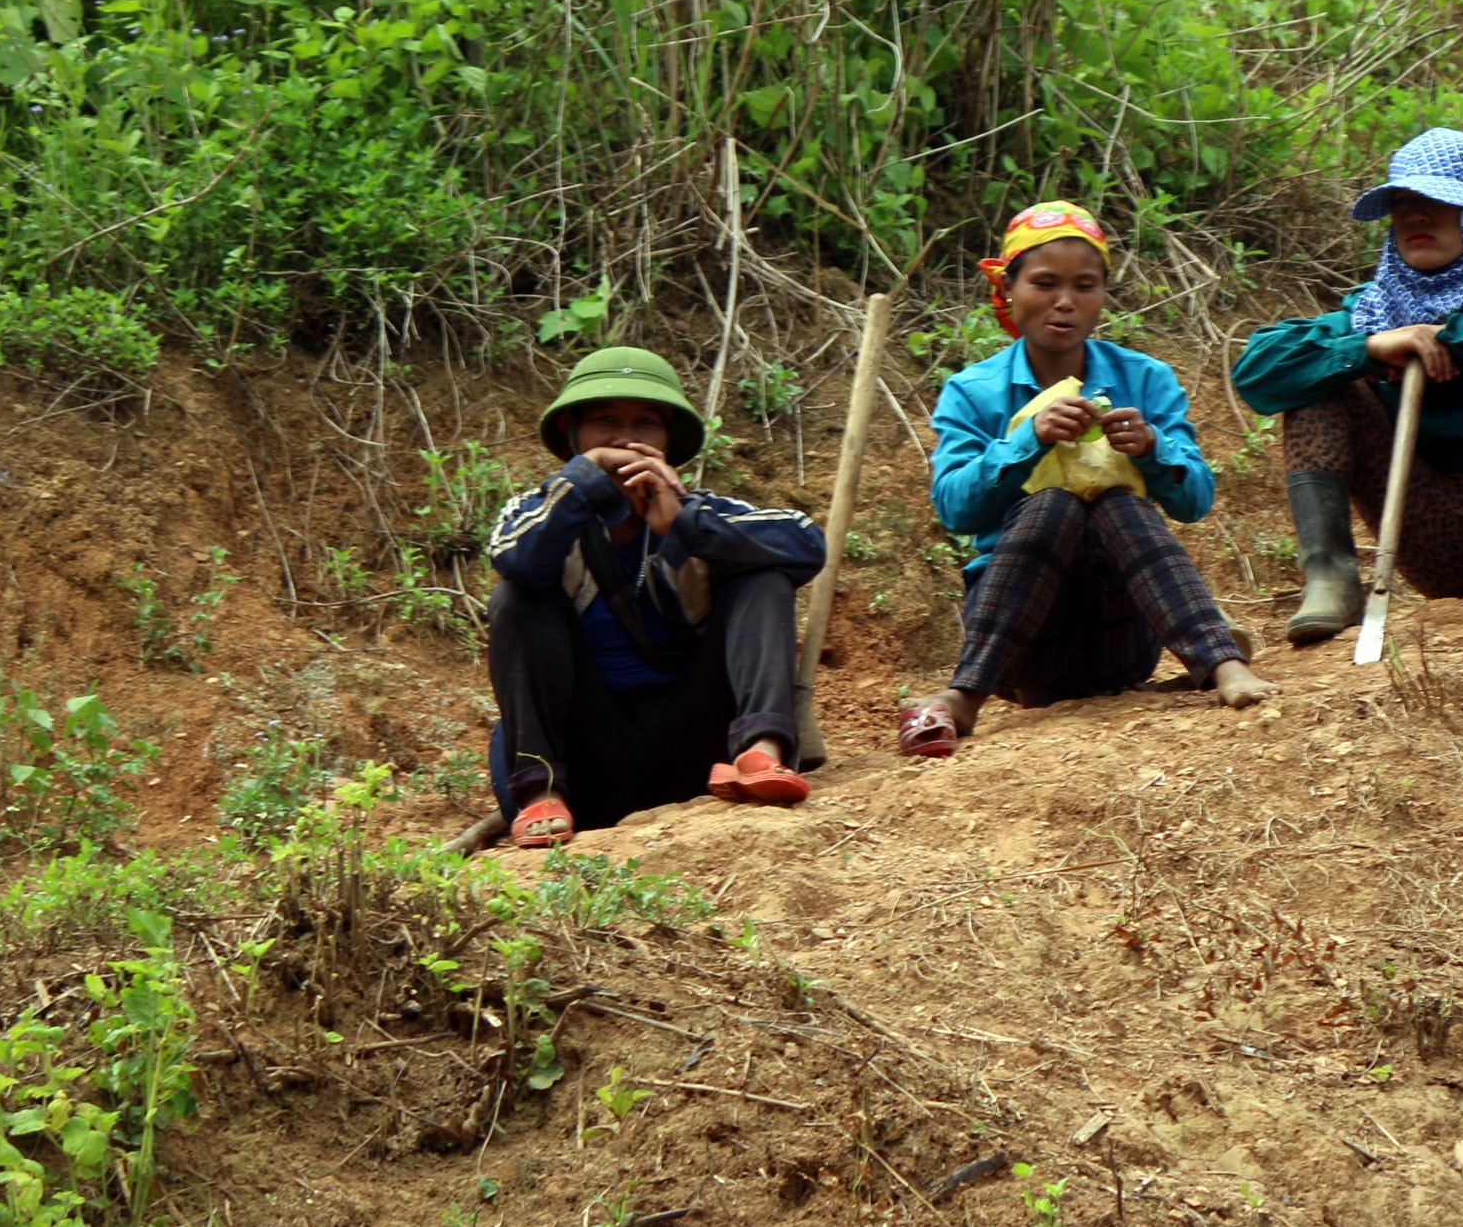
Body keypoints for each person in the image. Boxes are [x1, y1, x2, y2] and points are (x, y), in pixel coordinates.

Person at [903, 202, 1270, 757]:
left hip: (1121, 631)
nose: (1065, 302)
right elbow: (956, 509)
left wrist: (1152, 448)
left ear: (1103, 294)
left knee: (1117, 504)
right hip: (1019, 644)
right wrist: (1028, 441)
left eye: (1085, 285)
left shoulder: (1145, 378)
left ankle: (1224, 665)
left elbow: (1196, 499)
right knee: (1055, 503)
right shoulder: (972, 391)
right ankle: (967, 692)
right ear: (1009, 288)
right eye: (1044, 283)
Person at [1233, 128, 1463, 643]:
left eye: (1437, 201)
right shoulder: (1375, 309)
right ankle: (1331, 578)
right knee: (1320, 378)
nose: (1415, 216)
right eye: (1403, 203)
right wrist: (1366, 349)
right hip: (1436, 545)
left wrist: (1447, 335)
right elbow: (1258, 369)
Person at [483, 347, 829, 848]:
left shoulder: (702, 511)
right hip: (589, 759)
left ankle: (760, 752)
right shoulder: (539, 514)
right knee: (516, 598)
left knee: (764, 575)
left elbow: (804, 543)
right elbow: (515, 558)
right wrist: (582, 479)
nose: (627, 439)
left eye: (647, 423)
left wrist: (684, 523)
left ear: (668, 441)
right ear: (570, 437)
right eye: (605, 422)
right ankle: (541, 791)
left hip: (697, 750)